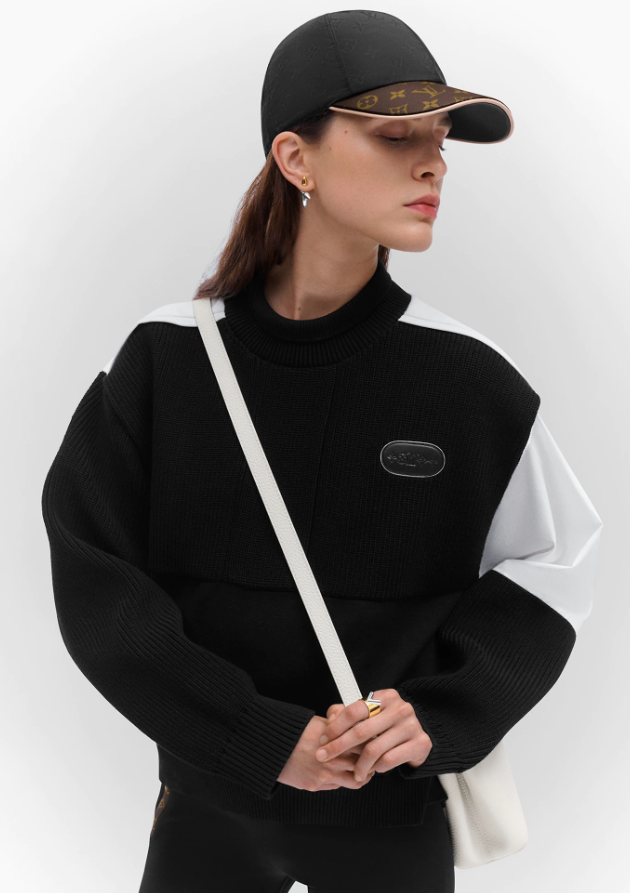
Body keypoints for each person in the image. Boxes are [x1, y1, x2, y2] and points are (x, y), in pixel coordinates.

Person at [40, 10, 603, 893]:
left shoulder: (470, 381)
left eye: (441, 140)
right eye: (396, 136)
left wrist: (436, 714)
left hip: (391, 817)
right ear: (296, 159)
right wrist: (254, 736)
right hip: (204, 810)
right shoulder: (167, 362)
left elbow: (554, 566)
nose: (435, 163)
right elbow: (94, 577)